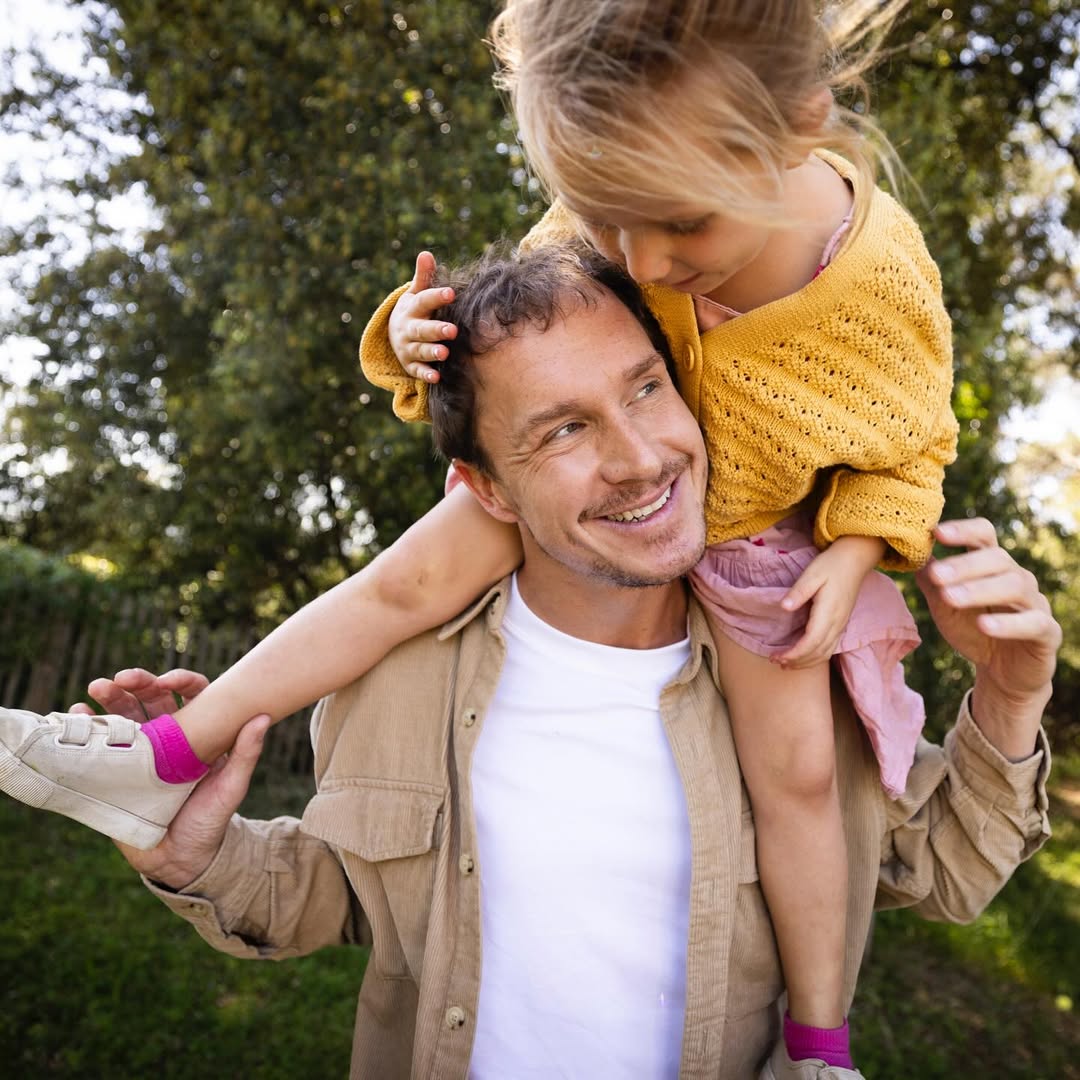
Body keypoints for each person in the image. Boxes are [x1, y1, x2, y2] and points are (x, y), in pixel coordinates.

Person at [83, 249, 1056, 1080]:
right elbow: (344, 899)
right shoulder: (395, 675)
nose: (640, 458)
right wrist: (194, 853)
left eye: (644, 388)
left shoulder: (799, 669)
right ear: (485, 489)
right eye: (564, 428)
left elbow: (947, 876)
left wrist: (1012, 697)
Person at [362, 0, 957, 1068]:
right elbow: (508, 327)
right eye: (600, 216)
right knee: (397, 584)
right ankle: (176, 745)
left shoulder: (876, 277)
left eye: (680, 224)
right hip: (586, 500)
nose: (636, 258)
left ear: (798, 127)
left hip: (754, 546)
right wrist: (414, 335)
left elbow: (915, 442)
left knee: (801, 777)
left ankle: (819, 1041)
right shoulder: (618, 209)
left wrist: (860, 550)